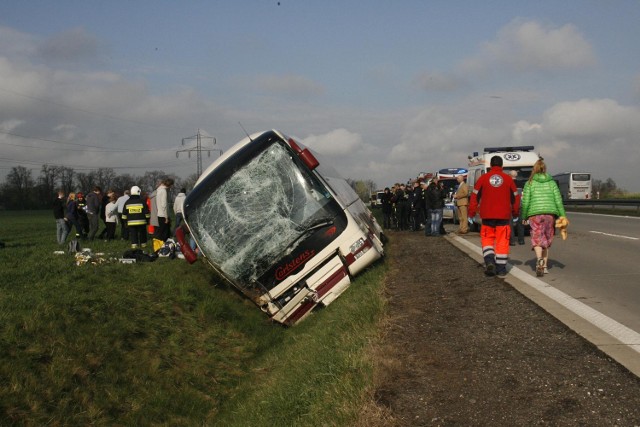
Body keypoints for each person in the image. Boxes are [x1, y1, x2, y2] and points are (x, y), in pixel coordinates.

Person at [468, 156, 520, 277]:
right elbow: (515, 198)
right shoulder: (508, 179)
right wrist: (515, 213)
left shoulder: (483, 178)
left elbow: (474, 197)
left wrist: (471, 213)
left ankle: (490, 262)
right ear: (502, 166)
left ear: (491, 165)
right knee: (502, 241)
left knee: (487, 240)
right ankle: (501, 269)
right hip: (503, 216)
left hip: (487, 216)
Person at [520, 159, 567, 277]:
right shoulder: (552, 183)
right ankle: (545, 266)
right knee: (546, 237)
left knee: (537, 238)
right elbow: (558, 200)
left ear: (534, 169)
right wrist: (563, 216)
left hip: (535, 214)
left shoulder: (529, 183)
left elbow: (525, 202)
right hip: (550, 214)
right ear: (544, 169)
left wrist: (524, 215)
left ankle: (539, 259)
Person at [509, 170, 525, 246]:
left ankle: (512, 241)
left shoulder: (508, 184)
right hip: (520, 205)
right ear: (516, 175)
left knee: (510, 224)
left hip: (510, 205)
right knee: (520, 223)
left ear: (509, 175)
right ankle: (521, 240)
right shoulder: (521, 184)